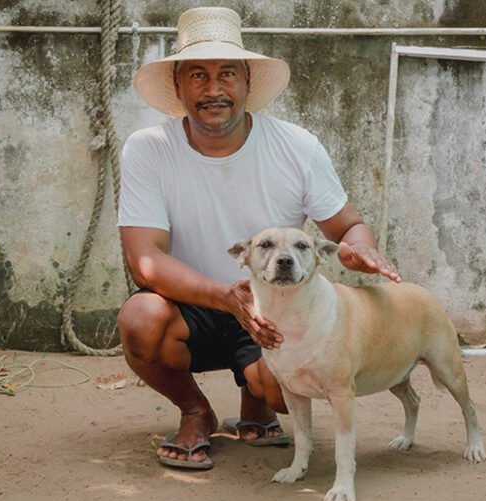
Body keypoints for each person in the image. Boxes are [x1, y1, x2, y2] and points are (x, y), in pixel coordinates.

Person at [116, 6, 400, 470]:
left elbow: (347, 226)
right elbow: (143, 258)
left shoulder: (297, 146)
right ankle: (195, 411)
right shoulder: (149, 149)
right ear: (177, 85)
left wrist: (360, 247)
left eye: (227, 73)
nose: (214, 89)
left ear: (247, 81)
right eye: (197, 75)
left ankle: (257, 398)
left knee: (284, 393)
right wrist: (224, 296)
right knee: (140, 319)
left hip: (276, 310)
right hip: (194, 305)